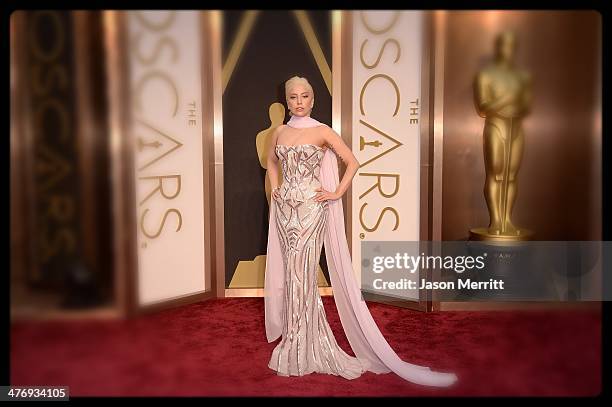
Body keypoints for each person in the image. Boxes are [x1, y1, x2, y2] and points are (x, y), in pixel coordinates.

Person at [264, 76, 457, 386]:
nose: (299, 101)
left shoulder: (323, 131)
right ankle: (296, 343)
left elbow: (352, 162)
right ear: (287, 101)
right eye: (293, 97)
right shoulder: (280, 132)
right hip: (285, 211)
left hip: (312, 211)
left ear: (312, 100)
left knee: (303, 274)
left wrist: (335, 192)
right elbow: (272, 163)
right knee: (292, 274)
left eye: (305, 96)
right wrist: (277, 190)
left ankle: (303, 348)